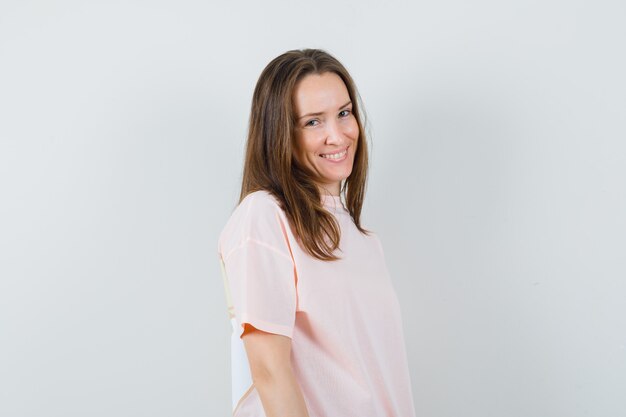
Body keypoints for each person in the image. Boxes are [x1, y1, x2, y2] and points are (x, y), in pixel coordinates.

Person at [217, 48, 416, 417]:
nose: (338, 136)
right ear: (280, 134)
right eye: (313, 122)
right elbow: (270, 373)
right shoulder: (264, 217)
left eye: (344, 113)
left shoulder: (364, 240)